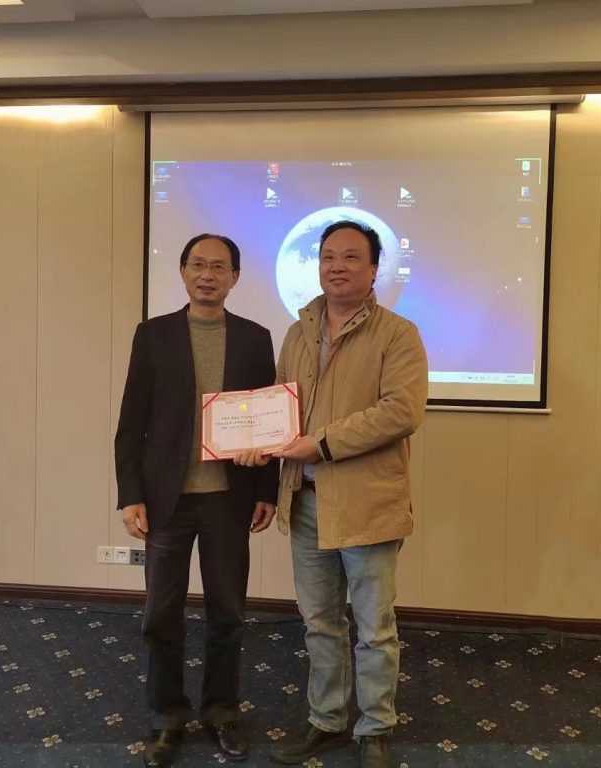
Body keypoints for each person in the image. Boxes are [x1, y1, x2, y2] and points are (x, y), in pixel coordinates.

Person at [237, 221, 428, 768]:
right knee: (320, 623)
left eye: (350, 257)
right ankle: (326, 721)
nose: (337, 266)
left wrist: (320, 443)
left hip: (368, 504)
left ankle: (376, 728)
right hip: (305, 501)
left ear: (374, 269)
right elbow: (280, 406)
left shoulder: (398, 334)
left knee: (374, 629)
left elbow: (401, 412)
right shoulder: (298, 331)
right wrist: (257, 443)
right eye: (328, 257)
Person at [115, 233, 278, 766]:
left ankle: (221, 712)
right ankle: (167, 717)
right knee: (160, 615)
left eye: (219, 267)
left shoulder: (255, 339)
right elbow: (131, 423)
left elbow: (268, 422)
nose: (208, 275)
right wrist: (131, 495)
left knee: (227, 614)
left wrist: (267, 490)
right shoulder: (153, 335)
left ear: (235, 278)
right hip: (167, 501)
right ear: (183, 271)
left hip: (228, 499)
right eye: (198, 265)